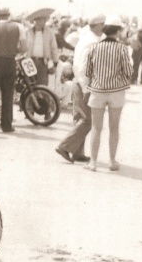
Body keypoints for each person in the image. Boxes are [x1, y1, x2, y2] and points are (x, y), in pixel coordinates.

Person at [84, 15, 133, 171]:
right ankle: (112, 161)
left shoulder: (94, 47)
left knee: (96, 128)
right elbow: (128, 71)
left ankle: (93, 162)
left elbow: (88, 71)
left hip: (98, 91)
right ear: (118, 31)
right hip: (116, 92)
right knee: (114, 128)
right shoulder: (122, 48)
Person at [55, 14, 105, 163]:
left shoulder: (85, 38)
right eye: (102, 25)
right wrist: (86, 88)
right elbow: (83, 66)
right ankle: (64, 146)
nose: (104, 28)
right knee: (88, 120)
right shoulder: (92, 41)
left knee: (79, 118)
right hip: (85, 82)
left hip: (79, 80)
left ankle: (77, 152)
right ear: (96, 25)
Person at [25, 16, 60, 86]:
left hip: (43, 62)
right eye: (38, 19)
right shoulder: (27, 31)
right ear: (34, 20)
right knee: (29, 85)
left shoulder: (49, 32)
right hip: (29, 61)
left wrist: (55, 63)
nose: (40, 22)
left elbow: (54, 48)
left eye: (42, 19)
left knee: (43, 86)